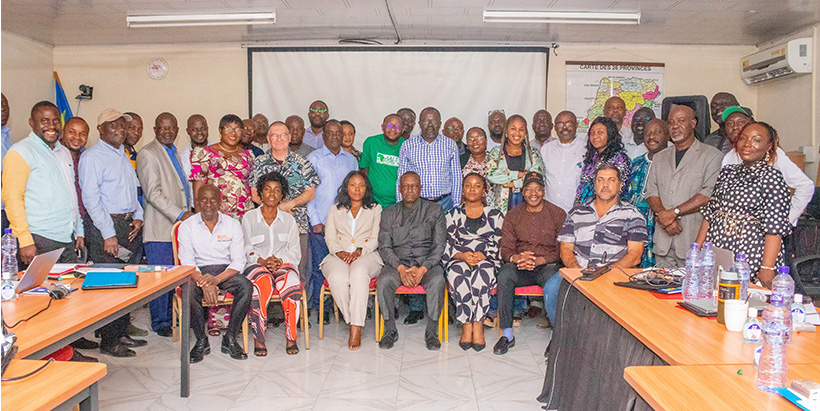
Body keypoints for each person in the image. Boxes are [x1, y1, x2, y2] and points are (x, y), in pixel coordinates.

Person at [79, 108, 146, 357]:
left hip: (128, 225)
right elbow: (91, 199)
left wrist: (138, 216)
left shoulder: (122, 155)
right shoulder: (93, 157)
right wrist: (109, 234)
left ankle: (120, 333)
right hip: (106, 227)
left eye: (122, 125)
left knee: (127, 283)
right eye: (113, 126)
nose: (120, 130)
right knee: (109, 286)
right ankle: (109, 341)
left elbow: (133, 192)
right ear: (100, 130)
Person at [697, 122, 792, 289]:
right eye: (743, 138)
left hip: (751, 254)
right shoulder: (727, 172)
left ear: (768, 146)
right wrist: (697, 249)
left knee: (743, 303)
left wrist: (767, 268)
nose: (747, 144)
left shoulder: (772, 178)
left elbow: (774, 229)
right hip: (719, 248)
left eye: (756, 140)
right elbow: (710, 213)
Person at [178, 184, 253, 363]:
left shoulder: (233, 225)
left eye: (213, 199)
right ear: (197, 202)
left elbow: (238, 261)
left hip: (225, 271)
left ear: (220, 202)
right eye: (203, 199)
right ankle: (201, 341)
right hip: (198, 272)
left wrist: (215, 280)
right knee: (188, 290)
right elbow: (187, 262)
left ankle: (230, 338)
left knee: (246, 286)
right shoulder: (187, 227)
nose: (208, 204)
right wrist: (204, 283)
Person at [493, 171, 565, 355]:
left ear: (543, 191)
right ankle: (507, 334)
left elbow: (561, 251)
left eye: (538, 189)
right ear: (523, 192)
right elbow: (506, 250)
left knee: (554, 282)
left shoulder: (557, 214)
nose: (533, 193)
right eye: (529, 189)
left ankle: (555, 337)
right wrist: (517, 258)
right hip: (521, 266)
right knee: (505, 275)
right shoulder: (513, 215)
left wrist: (540, 259)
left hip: (546, 265)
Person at [136, 112, 194, 338]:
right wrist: (181, 214)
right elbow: (153, 193)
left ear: (177, 130)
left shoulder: (173, 153)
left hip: (175, 229)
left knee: (174, 277)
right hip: (160, 228)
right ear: (155, 129)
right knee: (160, 279)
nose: (168, 131)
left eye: (172, 127)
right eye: (163, 127)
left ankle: (172, 317)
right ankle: (160, 321)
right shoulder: (148, 154)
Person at [645, 105, 722, 267]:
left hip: (692, 242)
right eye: (671, 122)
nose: (675, 126)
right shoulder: (660, 157)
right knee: (660, 290)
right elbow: (651, 191)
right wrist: (664, 216)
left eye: (681, 121)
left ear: (693, 123)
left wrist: (674, 213)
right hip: (663, 243)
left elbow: (708, 195)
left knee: (691, 291)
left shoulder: (712, 155)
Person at [377, 172, 446, 351]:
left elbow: (439, 246)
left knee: (438, 280)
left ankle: (432, 331)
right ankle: (389, 329)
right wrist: (400, 269)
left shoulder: (434, 211)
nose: (409, 190)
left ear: (420, 188)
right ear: (399, 189)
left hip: (426, 264)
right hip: (397, 263)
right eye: (405, 186)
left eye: (414, 186)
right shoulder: (389, 213)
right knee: (384, 281)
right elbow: (384, 247)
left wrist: (423, 269)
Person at [249, 121, 319, 288]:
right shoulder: (259, 162)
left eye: (282, 135)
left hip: (297, 224)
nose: (278, 138)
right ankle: (272, 310)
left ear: (289, 138)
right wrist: (275, 210)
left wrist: (288, 205)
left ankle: (301, 309)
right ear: (268, 138)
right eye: (274, 135)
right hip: (266, 225)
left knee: (300, 268)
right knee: (267, 267)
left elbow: (311, 192)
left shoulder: (302, 162)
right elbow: (254, 194)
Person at [242, 172, 304, 356]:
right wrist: (262, 261)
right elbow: (246, 249)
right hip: (257, 265)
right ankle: (259, 338)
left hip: (283, 264)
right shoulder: (249, 218)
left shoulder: (289, 220)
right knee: (260, 285)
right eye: (267, 189)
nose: (272, 194)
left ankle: (291, 336)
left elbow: (295, 252)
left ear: (282, 195)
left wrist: (280, 261)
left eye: (277, 190)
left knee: (292, 284)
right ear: (260, 193)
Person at [320, 170, 383, 351]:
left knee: (358, 274)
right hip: (338, 254)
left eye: (361, 185)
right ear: (346, 187)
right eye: (353, 185)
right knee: (338, 278)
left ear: (366, 188)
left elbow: (376, 237)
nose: (357, 189)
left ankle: (355, 328)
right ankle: (353, 320)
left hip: (366, 254)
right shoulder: (335, 209)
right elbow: (330, 238)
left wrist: (360, 251)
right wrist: (339, 253)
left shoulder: (375, 209)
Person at [721, 107, 813, 227]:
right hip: (738, 231)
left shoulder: (773, 155)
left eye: (741, 122)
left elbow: (805, 185)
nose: (735, 127)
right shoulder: (729, 157)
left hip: (768, 232)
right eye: (729, 124)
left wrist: (788, 219)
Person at [444, 173, 503, 352]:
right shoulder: (452, 214)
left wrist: (484, 254)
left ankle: (477, 323)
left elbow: (502, 243)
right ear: (462, 190)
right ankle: (466, 324)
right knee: (458, 274)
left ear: (484, 190)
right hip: (459, 258)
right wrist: (462, 256)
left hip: (487, 258)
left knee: (482, 273)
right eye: (468, 185)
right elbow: (446, 243)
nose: (472, 189)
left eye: (477, 185)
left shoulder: (495, 215)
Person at [307, 120, 359, 316]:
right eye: (331, 133)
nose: (336, 136)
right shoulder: (313, 158)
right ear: (324, 135)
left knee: (343, 266)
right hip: (321, 223)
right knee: (320, 267)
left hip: (345, 226)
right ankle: (321, 308)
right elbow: (309, 193)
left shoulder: (351, 160)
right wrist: (315, 220)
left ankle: (339, 305)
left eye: (339, 133)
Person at [559, 164, 646, 269]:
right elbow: (565, 249)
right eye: (600, 180)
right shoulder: (576, 213)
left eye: (611, 180)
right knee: (550, 285)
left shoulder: (633, 216)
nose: (605, 185)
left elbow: (635, 255)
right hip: (576, 275)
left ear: (620, 185)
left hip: (613, 278)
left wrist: (603, 274)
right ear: (595, 185)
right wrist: (577, 273)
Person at [397, 106, 462, 211]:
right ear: (419, 123)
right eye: (426, 121)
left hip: (444, 203)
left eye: (434, 121)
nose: (430, 125)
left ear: (440, 124)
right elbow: (401, 177)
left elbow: (456, 177)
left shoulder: (450, 144)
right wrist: (401, 204)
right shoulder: (408, 145)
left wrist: (456, 204)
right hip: (418, 203)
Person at [190, 114, 254, 218]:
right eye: (228, 128)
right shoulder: (205, 153)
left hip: (246, 214)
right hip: (217, 215)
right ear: (220, 131)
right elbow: (198, 192)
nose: (233, 133)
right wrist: (200, 221)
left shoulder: (248, 155)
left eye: (237, 129)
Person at [626, 119, 670, 268]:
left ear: (667, 135)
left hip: (661, 228)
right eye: (648, 133)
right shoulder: (636, 163)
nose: (651, 137)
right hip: (635, 230)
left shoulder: (673, 164)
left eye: (657, 132)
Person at [487, 114, 546, 214]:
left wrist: (513, 183)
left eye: (521, 130)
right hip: (501, 210)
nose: (517, 133)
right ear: (506, 132)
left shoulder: (533, 153)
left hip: (528, 208)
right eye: (513, 129)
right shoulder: (496, 152)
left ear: (525, 133)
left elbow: (538, 178)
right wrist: (518, 174)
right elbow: (491, 175)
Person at [576, 116, 632, 205]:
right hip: (585, 210)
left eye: (600, 133)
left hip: (608, 210)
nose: (595, 136)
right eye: (592, 133)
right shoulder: (592, 157)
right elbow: (583, 185)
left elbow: (620, 190)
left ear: (610, 134)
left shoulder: (619, 159)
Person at [541, 110, 586, 213]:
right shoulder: (546, 149)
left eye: (569, 123)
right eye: (560, 124)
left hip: (576, 213)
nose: (564, 127)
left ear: (576, 125)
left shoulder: (586, 149)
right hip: (549, 213)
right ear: (555, 127)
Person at [359, 113, 405, 207]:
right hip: (373, 201)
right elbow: (364, 170)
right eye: (389, 125)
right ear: (382, 127)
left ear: (402, 130)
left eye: (397, 126)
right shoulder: (371, 143)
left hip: (398, 203)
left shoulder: (406, 146)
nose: (392, 129)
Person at [180, 114, 209, 208]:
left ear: (207, 129)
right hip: (192, 210)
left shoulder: (217, 153)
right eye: (194, 129)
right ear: (188, 131)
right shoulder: (181, 158)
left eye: (202, 128)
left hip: (217, 211)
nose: (199, 132)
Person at [123, 112, 144, 206]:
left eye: (140, 129)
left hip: (138, 215)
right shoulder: (111, 156)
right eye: (131, 127)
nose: (136, 133)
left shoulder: (139, 158)